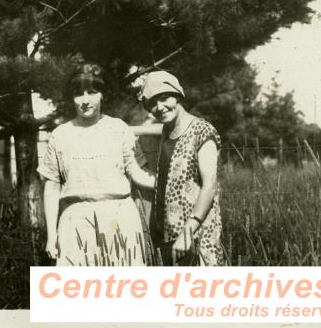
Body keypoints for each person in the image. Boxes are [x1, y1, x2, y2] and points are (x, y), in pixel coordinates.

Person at [38, 63, 155, 266]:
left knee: (123, 289)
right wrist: (51, 234)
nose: (85, 100)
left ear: (102, 95)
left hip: (119, 218)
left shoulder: (118, 129)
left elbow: (137, 173)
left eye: (92, 92)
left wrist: (172, 181)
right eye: (78, 94)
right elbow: (52, 186)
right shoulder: (60, 135)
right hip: (75, 221)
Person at [141, 71, 225, 266]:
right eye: (152, 103)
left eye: (164, 98)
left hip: (194, 235)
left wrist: (188, 232)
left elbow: (209, 186)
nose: (159, 107)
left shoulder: (202, 130)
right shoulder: (166, 131)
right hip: (166, 232)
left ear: (177, 95)